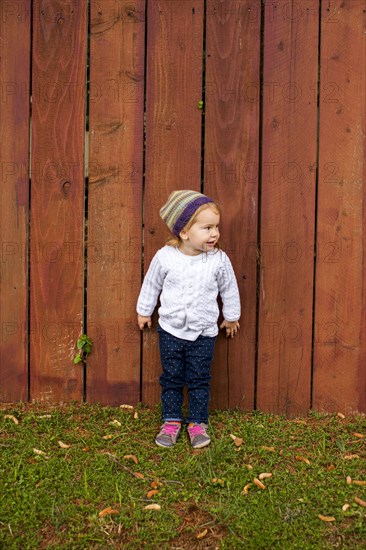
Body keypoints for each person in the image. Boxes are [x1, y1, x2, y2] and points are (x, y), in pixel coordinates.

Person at [136, 190, 241, 449]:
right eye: (207, 228)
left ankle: (197, 422)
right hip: (170, 330)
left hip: (204, 333)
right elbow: (152, 284)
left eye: (216, 227)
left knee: (199, 378)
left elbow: (229, 288)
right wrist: (144, 310)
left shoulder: (218, 260)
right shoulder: (165, 257)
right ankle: (171, 421)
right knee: (171, 376)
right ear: (184, 232)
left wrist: (231, 317)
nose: (215, 233)